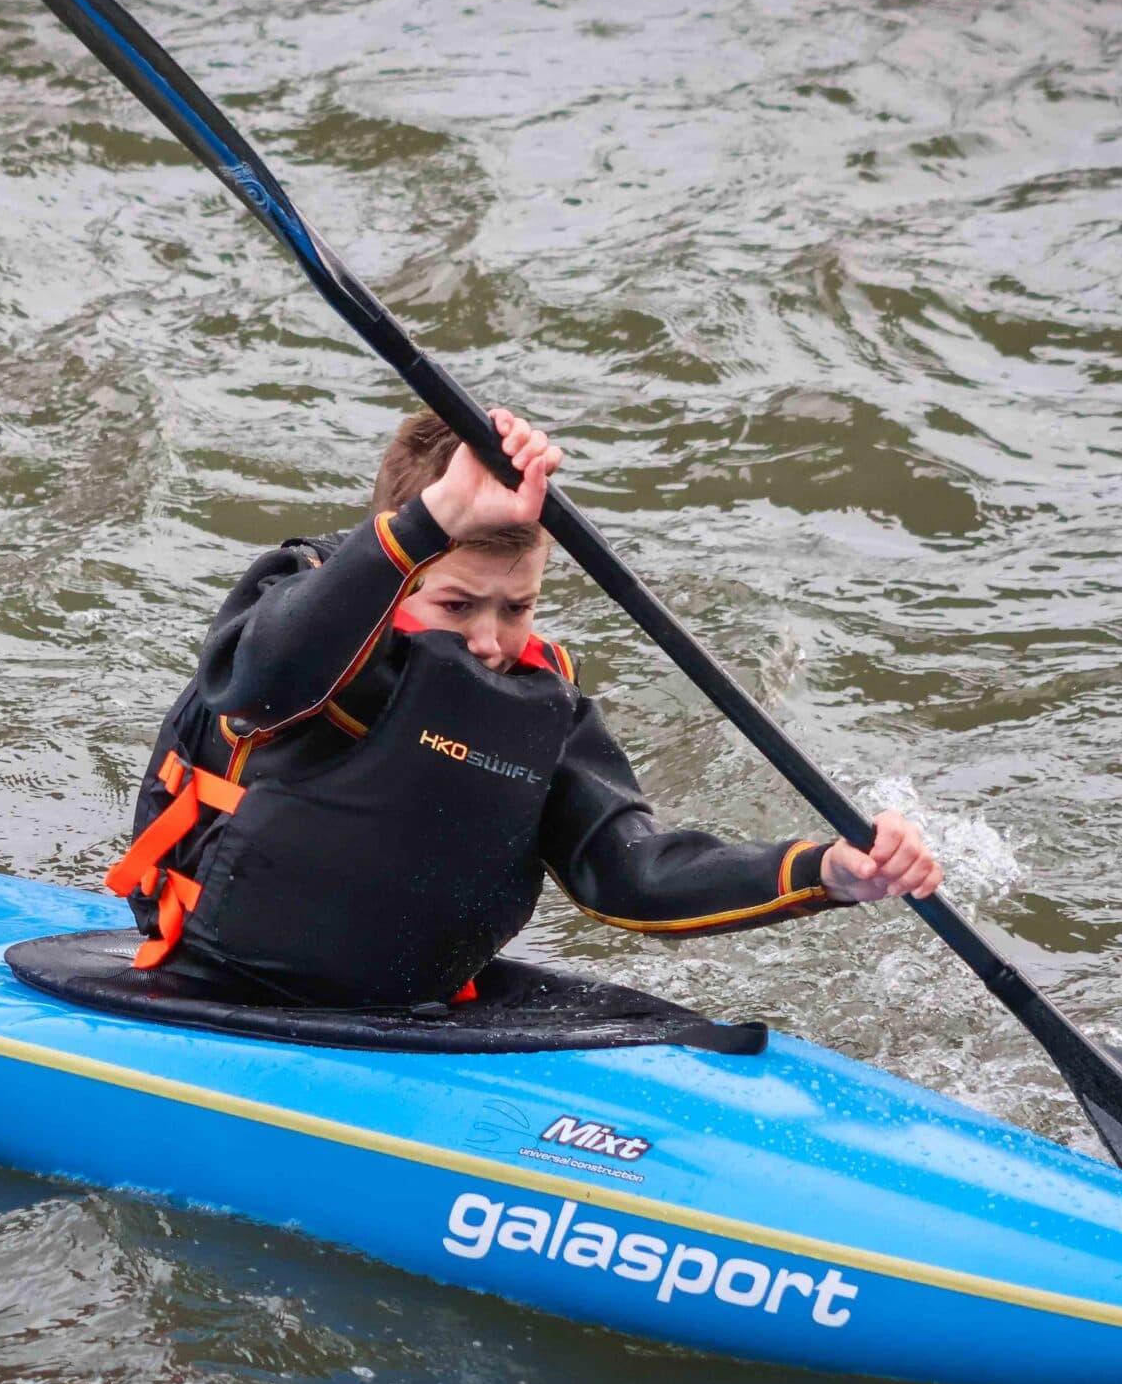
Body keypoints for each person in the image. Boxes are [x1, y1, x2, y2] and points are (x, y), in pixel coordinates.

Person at [108, 406, 941, 1007]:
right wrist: (431, 520)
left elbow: (632, 873)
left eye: (518, 607)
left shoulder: (541, 705)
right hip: (215, 978)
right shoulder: (315, 618)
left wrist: (827, 869)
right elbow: (258, 680)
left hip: (412, 1016)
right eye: (457, 605)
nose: (489, 641)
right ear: (404, 558)